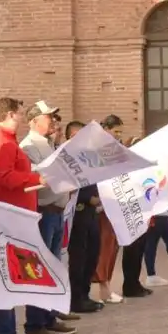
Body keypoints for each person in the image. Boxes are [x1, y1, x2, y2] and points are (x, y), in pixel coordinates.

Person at [0, 97, 72, 334]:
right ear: (10, 115)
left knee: (16, 275)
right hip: (8, 216)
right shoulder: (1, 142)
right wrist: (37, 177)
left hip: (14, 214)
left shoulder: (5, 141)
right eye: (18, 114)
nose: (20, 119)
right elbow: (6, 179)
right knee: (8, 278)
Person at [21, 100, 81, 325]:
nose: (55, 121)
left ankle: (51, 314)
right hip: (44, 211)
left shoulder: (48, 143)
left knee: (54, 265)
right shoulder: (29, 146)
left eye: (55, 117)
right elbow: (42, 175)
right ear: (34, 121)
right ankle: (37, 321)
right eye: (49, 117)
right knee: (41, 267)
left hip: (56, 212)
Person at [63, 121, 105, 313]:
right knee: (78, 258)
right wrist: (89, 198)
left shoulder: (87, 157)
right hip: (78, 213)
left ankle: (85, 294)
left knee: (92, 254)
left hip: (91, 213)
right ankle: (75, 299)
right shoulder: (65, 159)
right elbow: (66, 186)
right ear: (70, 137)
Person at [92, 114, 125, 304]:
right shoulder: (97, 151)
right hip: (101, 206)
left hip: (114, 204)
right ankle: (102, 288)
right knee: (104, 247)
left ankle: (107, 288)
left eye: (120, 132)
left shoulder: (117, 150)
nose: (118, 136)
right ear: (106, 130)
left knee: (112, 246)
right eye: (115, 132)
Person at [119, 135, 154, 299]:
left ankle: (135, 282)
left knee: (140, 249)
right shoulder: (126, 167)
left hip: (143, 213)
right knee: (132, 250)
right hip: (131, 214)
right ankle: (129, 285)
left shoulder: (143, 168)